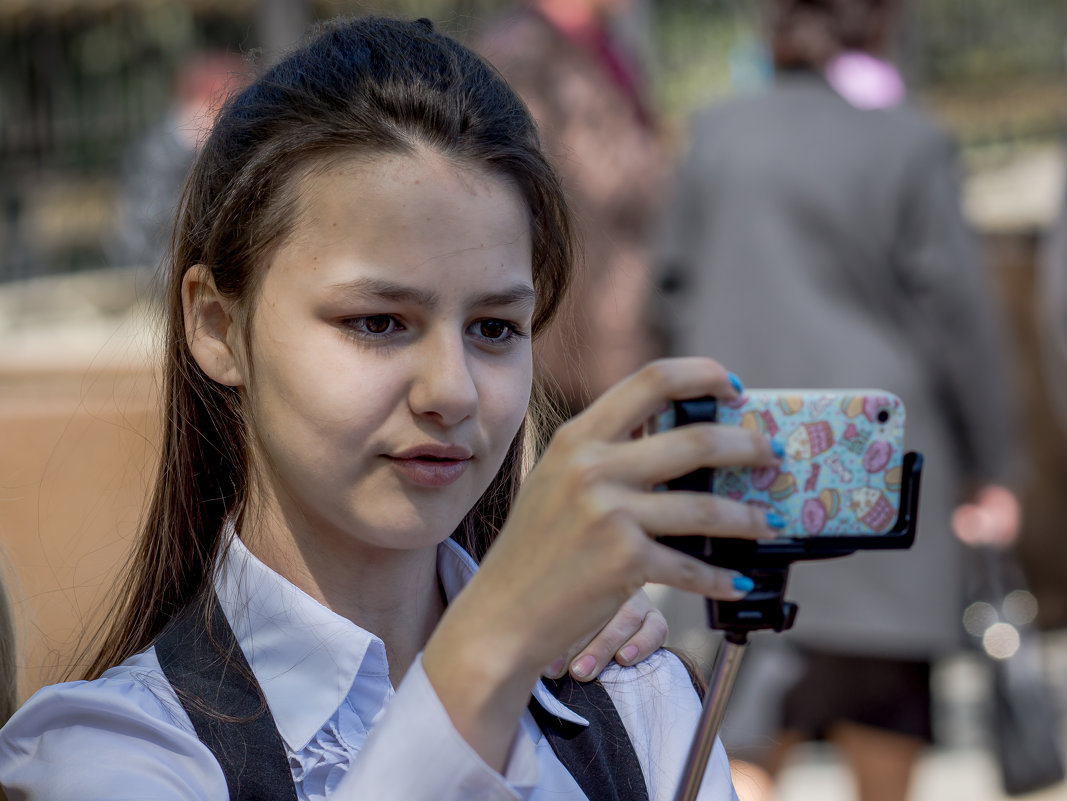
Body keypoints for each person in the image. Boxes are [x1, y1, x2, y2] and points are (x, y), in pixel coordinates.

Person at [0, 16, 788, 800]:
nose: (450, 390)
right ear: (217, 325)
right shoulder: (106, 754)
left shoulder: (630, 698)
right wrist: (486, 652)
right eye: (376, 321)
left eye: (494, 328)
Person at [653, 1, 1024, 800]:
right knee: (884, 726)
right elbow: (959, 319)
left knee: (741, 733)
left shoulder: (713, 134)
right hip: (874, 475)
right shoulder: (908, 140)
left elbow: (667, 293)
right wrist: (991, 469)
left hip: (745, 472)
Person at [474, 0, 664, 417]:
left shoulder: (600, 48)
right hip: (570, 339)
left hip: (615, 325)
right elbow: (582, 179)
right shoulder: (523, 53)